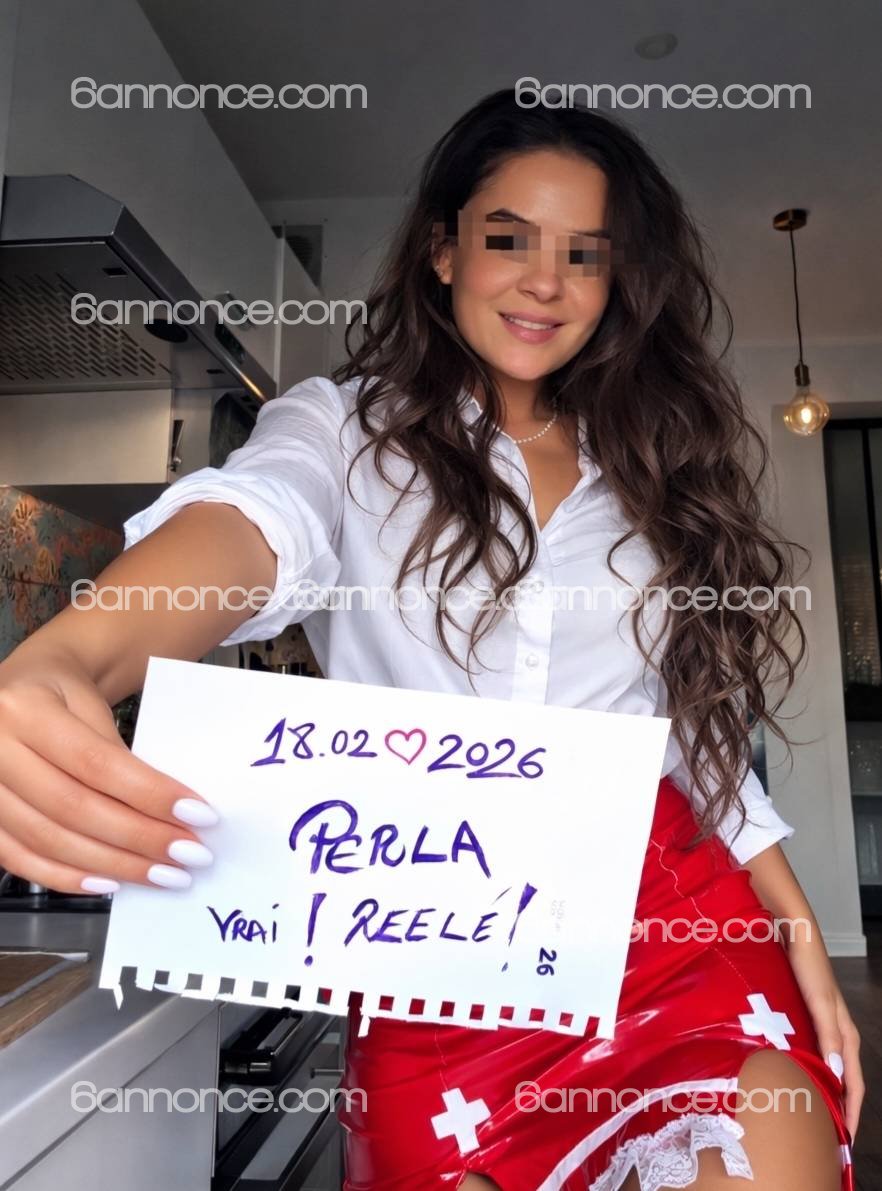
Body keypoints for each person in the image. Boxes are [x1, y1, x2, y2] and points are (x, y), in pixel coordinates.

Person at [0, 90, 862, 1190]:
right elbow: (254, 525)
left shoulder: (653, 468)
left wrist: (796, 929)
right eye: (509, 238)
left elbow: (689, 736)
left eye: (585, 254)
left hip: (673, 932)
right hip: (433, 963)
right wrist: (69, 655)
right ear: (445, 252)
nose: (545, 281)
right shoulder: (341, 431)